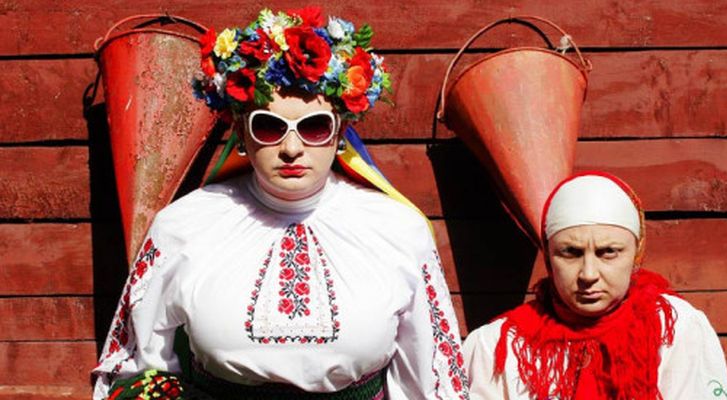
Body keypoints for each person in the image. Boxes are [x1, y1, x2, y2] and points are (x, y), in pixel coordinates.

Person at [92, 6, 469, 399]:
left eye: (314, 127)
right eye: (269, 127)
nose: (291, 148)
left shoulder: (397, 231)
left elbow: (428, 381)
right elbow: (139, 368)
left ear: (340, 131)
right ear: (241, 131)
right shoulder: (183, 226)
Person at [463, 171, 727, 399]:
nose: (588, 274)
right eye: (570, 252)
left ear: (636, 254)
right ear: (548, 256)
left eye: (608, 252)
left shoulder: (676, 331)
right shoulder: (498, 346)